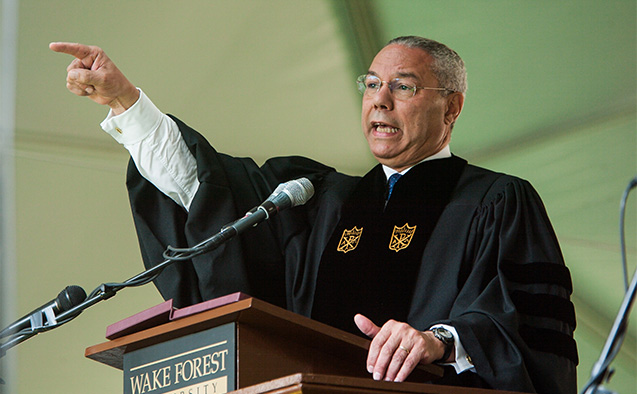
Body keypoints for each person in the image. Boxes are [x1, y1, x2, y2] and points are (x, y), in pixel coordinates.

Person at [50, 36, 578, 393]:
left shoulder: (497, 201)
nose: (380, 101)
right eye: (371, 84)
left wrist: (440, 342)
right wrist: (125, 103)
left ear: (452, 106)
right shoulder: (321, 199)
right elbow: (209, 192)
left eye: (403, 86)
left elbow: (535, 332)